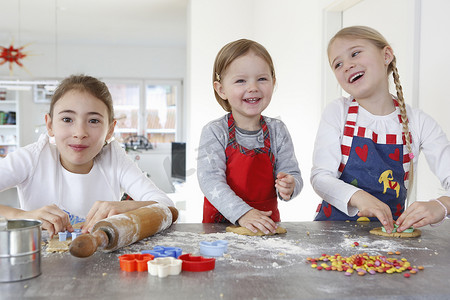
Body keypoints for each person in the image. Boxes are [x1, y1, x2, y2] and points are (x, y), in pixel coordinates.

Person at [311, 26, 450, 233]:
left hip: (389, 237)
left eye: (355, 53)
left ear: (386, 55)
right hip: (332, 234)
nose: (347, 65)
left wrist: (442, 205)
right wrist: (359, 198)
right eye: (338, 64)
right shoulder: (337, 111)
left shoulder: (419, 122)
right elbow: (320, 178)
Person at [0, 75, 174, 236]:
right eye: (67, 119)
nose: (79, 133)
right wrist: (26, 216)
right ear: (50, 125)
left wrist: (128, 207)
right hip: (38, 264)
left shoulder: (114, 158)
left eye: (93, 121)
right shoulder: (32, 158)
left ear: (110, 130)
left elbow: (169, 208)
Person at [197, 39, 303, 234]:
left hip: (265, 225)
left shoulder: (278, 130)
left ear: (273, 82)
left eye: (262, 79)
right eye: (240, 81)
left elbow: (293, 174)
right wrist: (243, 213)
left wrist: (290, 186)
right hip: (220, 228)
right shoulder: (214, 131)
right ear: (221, 90)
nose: (253, 87)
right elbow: (210, 181)